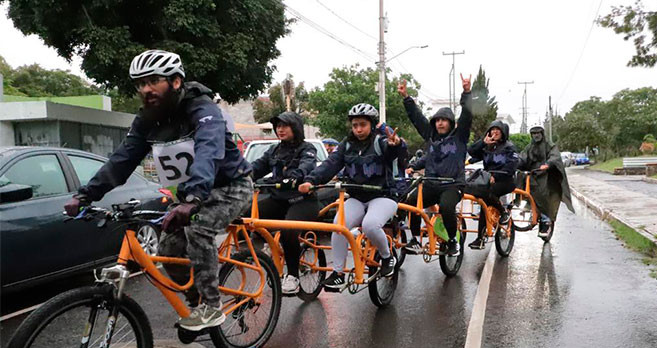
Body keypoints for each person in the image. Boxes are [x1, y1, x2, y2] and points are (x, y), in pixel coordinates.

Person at [64, 50, 253, 331]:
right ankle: (196, 296)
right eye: (140, 84)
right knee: (168, 248)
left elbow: (208, 152)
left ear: (176, 82)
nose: (145, 90)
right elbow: (121, 160)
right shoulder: (147, 120)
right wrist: (85, 194)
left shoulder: (203, 110)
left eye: (153, 81)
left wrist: (192, 198)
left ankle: (212, 307)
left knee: (198, 229)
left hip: (230, 187)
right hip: (191, 196)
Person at [298, 104, 406, 291]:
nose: (358, 129)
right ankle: (338, 273)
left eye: (362, 124)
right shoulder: (346, 145)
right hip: (357, 197)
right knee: (338, 226)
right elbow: (330, 165)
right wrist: (310, 181)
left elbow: (395, 151)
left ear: (371, 125)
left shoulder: (381, 142)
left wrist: (396, 145)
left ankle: (388, 257)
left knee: (370, 225)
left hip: (384, 196)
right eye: (355, 125)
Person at [398, 74, 472, 256]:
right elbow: (417, 119)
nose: (440, 123)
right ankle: (415, 239)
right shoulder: (430, 137)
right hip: (431, 183)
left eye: (444, 120)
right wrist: (406, 98)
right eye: (437, 120)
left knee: (446, 207)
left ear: (451, 123)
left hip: (453, 185)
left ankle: (453, 241)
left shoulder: (460, 137)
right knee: (411, 203)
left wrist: (467, 92)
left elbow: (467, 116)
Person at [251, 111, 320, 295]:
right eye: (277, 126)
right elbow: (257, 167)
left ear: (295, 127)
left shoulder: (307, 148)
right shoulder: (274, 150)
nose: (280, 130)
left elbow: (307, 165)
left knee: (289, 229)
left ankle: (293, 276)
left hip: (303, 201)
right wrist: (239, 175)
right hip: (279, 199)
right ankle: (272, 244)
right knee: (247, 216)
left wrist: (295, 177)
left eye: (284, 126)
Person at [465, 120, 520, 249]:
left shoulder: (509, 147)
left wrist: (496, 176)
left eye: (498, 130)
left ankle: (503, 212)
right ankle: (481, 238)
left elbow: (512, 166)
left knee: (486, 195)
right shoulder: (487, 147)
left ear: (503, 132)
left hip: (506, 181)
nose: (494, 132)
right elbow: (472, 151)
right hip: (489, 180)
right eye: (492, 129)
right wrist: (483, 143)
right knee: (481, 199)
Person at [518, 125, 574, 238]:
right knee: (519, 180)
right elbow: (523, 158)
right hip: (533, 174)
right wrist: (516, 163)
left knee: (543, 192)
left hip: (546, 175)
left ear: (542, 134)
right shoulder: (529, 147)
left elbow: (555, 157)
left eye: (538, 133)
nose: (536, 135)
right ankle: (525, 204)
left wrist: (548, 164)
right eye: (533, 133)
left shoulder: (550, 146)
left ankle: (545, 219)